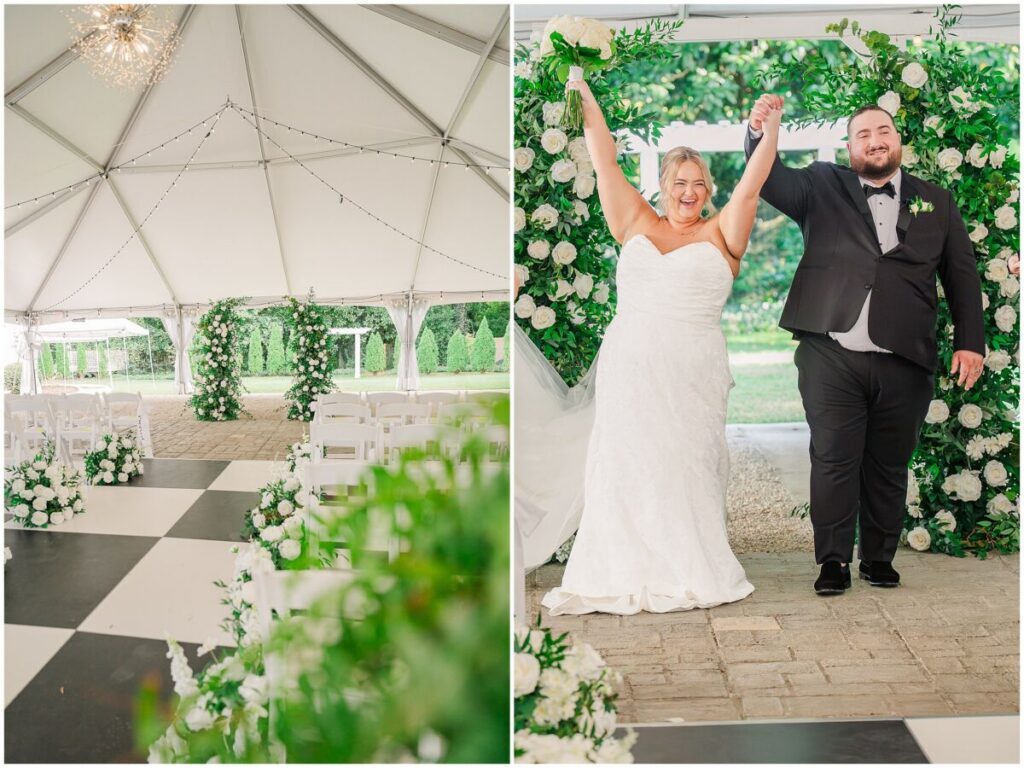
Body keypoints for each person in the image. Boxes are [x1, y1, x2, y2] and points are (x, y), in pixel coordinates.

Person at [524, 75, 781, 615]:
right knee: (627, 461)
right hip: (631, 367)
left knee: (687, 462)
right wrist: (583, 89)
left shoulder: (722, 234)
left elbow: (753, 185)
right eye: (679, 182)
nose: (689, 192)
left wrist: (767, 130)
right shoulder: (634, 219)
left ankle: (690, 566)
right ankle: (619, 567)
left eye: (698, 184)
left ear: (709, 190)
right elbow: (604, 159)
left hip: (694, 372)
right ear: (662, 185)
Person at [744, 95, 985, 595]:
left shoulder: (937, 201)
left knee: (888, 464)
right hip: (831, 353)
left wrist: (970, 343)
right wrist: (759, 132)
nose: (875, 141)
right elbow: (767, 178)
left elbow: (961, 277)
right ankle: (832, 562)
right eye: (863, 135)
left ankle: (877, 558)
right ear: (849, 145)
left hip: (906, 357)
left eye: (883, 132)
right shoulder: (820, 184)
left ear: (898, 141)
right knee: (833, 458)